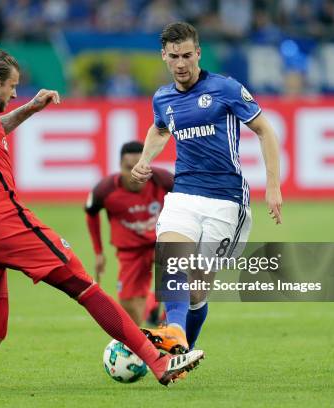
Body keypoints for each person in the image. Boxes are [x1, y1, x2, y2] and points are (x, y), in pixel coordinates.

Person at [0, 40, 204, 393]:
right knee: (84, 285)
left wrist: (31, 107)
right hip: (0, 221)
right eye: (12, 86)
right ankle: (158, 361)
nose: (14, 94)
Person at [131, 22, 282, 355]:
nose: (181, 64)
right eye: (174, 57)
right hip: (184, 192)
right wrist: (145, 159)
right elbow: (159, 130)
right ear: (164, 57)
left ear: (198, 53)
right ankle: (175, 334)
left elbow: (265, 130)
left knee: (197, 291)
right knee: (171, 260)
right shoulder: (163, 97)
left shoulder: (225, 89)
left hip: (226, 200)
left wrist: (273, 185)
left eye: (187, 55)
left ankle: (184, 349)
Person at [85, 141, 172, 325]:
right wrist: (99, 253)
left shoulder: (164, 180)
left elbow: (188, 201)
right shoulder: (105, 190)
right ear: (120, 167)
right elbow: (91, 214)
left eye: (140, 167)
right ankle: (151, 310)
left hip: (160, 243)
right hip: (130, 250)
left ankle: (171, 321)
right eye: (129, 168)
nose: (135, 174)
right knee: (129, 306)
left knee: (181, 274)